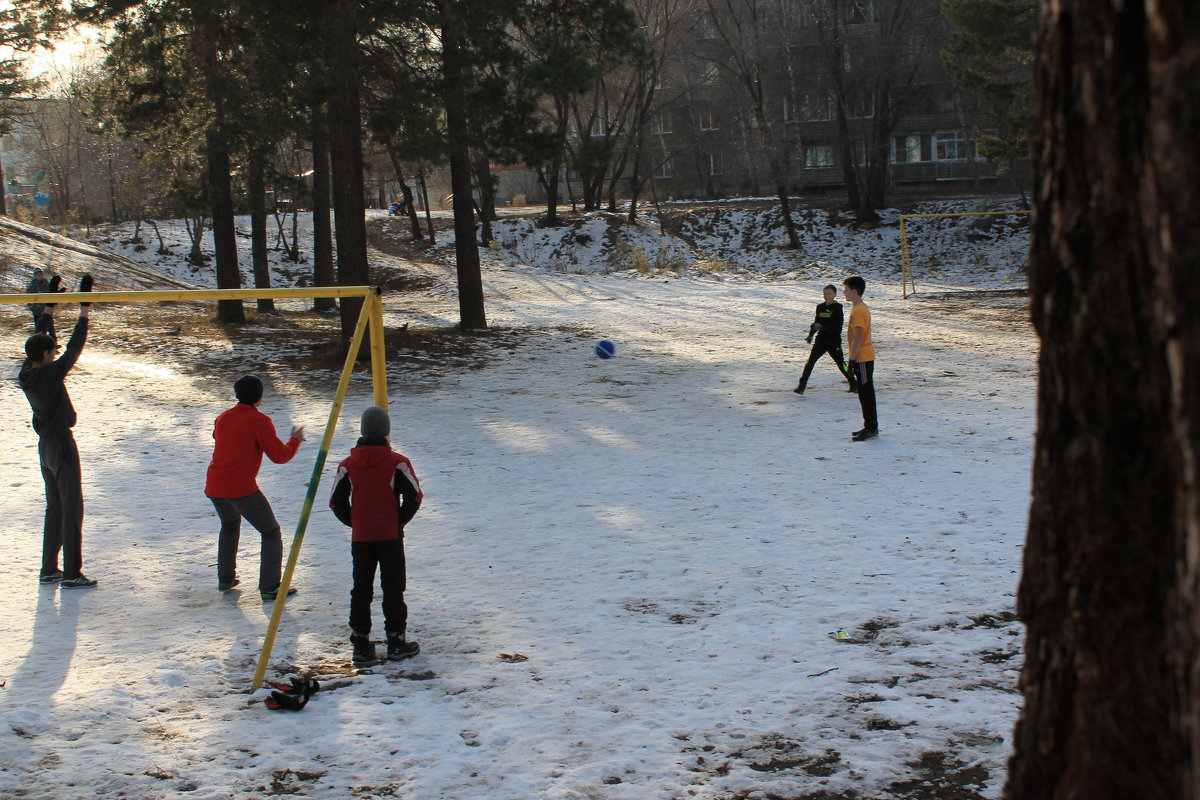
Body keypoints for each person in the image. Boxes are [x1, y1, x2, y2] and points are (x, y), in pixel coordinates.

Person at [329, 406, 423, 663]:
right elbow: (415, 495)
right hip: (390, 535)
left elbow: (336, 501)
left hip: (362, 537)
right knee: (393, 588)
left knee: (361, 589)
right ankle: (395, 641)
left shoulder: (347, 464)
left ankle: (360, 644)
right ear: (387, 431)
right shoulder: (397, 462)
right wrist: (399, 519)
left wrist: (355, 522)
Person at [19, 275, 95, 587]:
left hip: (45, 448)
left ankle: (49, 568)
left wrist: (49, 305)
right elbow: (75, 347)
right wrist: (84, 310)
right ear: (48, 356)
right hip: (62, 446)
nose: (55, 352)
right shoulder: (51, 373)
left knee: (55, 508)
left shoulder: (27, 372)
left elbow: (39, 338)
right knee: (72, 507)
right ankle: (73, 572)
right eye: (53, 350)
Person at [205, 375, 305, 601]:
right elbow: (280, 456)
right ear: (259, 396)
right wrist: (295, 440)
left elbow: (218, 437)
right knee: (270, 531)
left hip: (214, 485)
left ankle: (225, 577)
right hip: (240, 488)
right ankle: (270, 586)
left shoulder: (223, 417)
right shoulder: (259, 420)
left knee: (229, 524)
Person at [794, 284, 857, 395]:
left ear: (834, 295)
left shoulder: (837, 308)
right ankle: (801, 386)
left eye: (829, 294)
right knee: (810, 362)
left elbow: (838, 326)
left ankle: (853, 383)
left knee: (841, 364)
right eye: (825, 293)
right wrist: (811, 334)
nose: (826, 296)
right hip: (821, 341)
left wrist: (825, 328)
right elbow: (817, 322)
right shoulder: (820, 307)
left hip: (833, 341)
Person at [843, 276, 878, 441]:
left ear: (854, 291)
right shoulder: (859, 308)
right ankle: (869, 426)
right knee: (864, 392)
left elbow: (858, 337)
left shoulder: (858, 311)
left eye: (846, 289)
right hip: (862, 356)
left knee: (866, 392)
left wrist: (852, 359)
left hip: (862, 357)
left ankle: (871, 428)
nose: (844, 292)